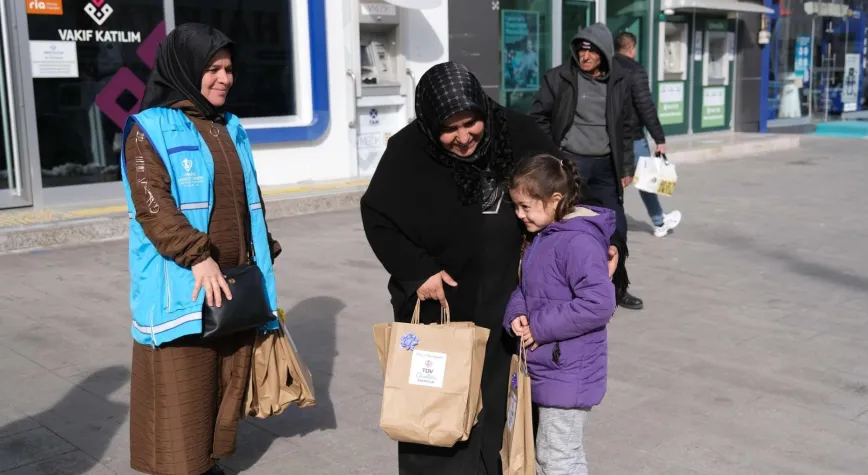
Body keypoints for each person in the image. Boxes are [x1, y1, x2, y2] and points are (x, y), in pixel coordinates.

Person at [360, 62, 622, 475]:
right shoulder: (408, 150)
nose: (464, 137)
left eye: (471, 123)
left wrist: (611, 242)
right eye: (451, 128)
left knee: (502, 411)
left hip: (509, 299)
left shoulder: (516, 132)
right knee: (439, 409)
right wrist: (417, 271)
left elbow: (567, 189)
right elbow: (377, 215)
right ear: (430, 123)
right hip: (441, 303)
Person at [120, 23, 282, 475]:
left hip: (234, 286)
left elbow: (247, 195)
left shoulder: (230, 125)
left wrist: (263, 248)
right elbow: (154, 206)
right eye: (213, 68)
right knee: (183, 394)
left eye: (229, 69)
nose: (224, 79)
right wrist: (198, 255)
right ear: (186, 69)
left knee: (224, 387)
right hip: (188, 286)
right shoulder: (147, 129)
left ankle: (206, 466)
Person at [504, 153, 616, 475]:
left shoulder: (577, 241)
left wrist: (537, 327)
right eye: (516, 206)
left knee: (558, 458)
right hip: (552, 368)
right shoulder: (543, 236)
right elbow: (526, 288)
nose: (519, 214)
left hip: (569, 371)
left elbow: (598, 303)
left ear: (555, 200)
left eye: (526, 206)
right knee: (552, 454)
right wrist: (516, 315)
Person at [529, 22, 643, 310]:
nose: (585, 56)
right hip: (571, 163)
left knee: (616, 225)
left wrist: (626, 167)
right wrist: (553, 154)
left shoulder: (620, 81)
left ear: (604, 52)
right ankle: (563, 287)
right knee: (568, 226)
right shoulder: (559, 78)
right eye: (581, 50)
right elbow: (538, 116)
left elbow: (627, 127)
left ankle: (617, 287)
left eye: (591, 51)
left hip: (607, 165)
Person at [614, 31, 682, 238]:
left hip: (610, 136)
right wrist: (659, 138)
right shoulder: (635, 70)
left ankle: (656, 219)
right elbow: (645, 106)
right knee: (648, 180)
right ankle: (660, 222)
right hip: (633, 136)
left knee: (614, 182)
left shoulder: (605, 69)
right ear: (632, 48)